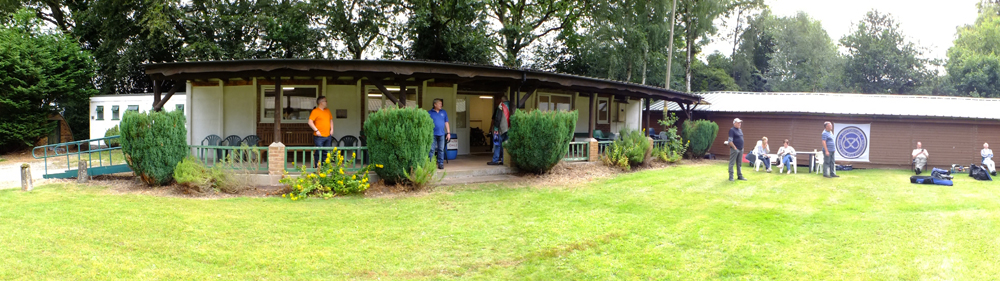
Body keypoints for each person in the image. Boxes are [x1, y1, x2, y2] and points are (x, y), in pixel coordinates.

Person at [308, 96, 334, 167]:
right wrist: (316, 130)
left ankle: (324, 167)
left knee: (326, 152)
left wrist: (332, 129)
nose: (327, 103)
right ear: (321, 102)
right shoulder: (315, 111)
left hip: (328, 135)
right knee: (319, 152)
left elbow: (331, 120)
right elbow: (310, 122)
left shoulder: (328, 111)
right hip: (319, 136)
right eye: (325, 101)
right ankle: (317, 167)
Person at [488, 96, 511, 165]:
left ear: (501, 100)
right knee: (506, 145)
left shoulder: (501, 106)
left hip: (501, 129)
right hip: (509, 129)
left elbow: (498, 118)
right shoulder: (511, 105)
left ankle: (495, 160)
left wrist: (495, 128)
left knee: (497, 144)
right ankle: (504, 161)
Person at [428, 98, 451, 170]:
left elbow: (446, 122)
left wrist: (448, 133)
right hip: (432, 134)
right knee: (431, 149)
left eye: (441, 104)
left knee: (441, 149)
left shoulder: (444, 112)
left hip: (441, 134)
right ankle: (429, 164)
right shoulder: (429, 113)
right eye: (439, 104)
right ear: (435, 104)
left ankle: (440, 164)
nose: (441, 105)